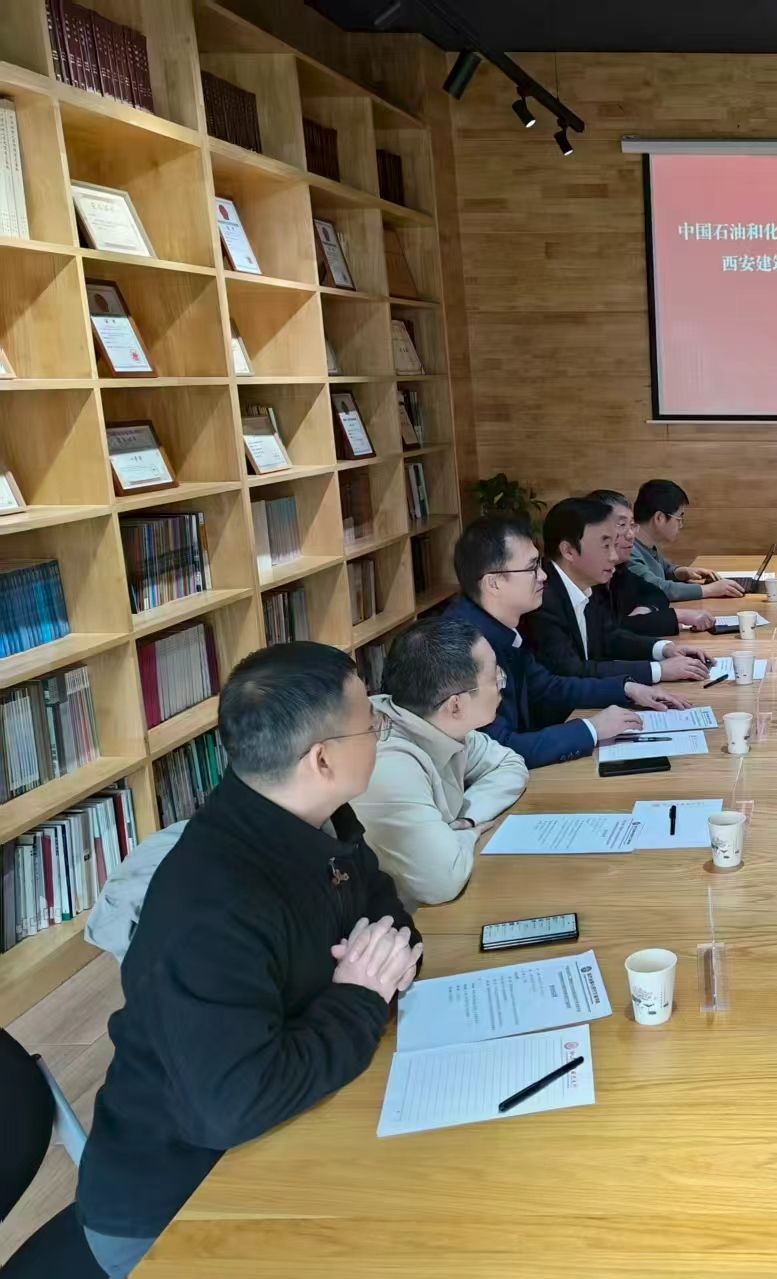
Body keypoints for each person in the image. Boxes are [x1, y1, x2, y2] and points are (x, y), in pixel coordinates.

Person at [76, 643, 425, 1277]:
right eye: (371, 723)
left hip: (281, 1119)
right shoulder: (212, 902)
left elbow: (390, 926)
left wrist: (371, 975)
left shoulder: (316, 822)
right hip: (174, 1201)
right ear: (322, 759)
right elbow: (233, 1106)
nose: (380, 733)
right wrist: (358, 996)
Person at [443, 515, 681, 768]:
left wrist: (625, 689)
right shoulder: (461, 647)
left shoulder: (497, 625)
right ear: (494, 583)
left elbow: (546, 687)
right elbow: (498, 749)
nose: (543, 576)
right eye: (531, 568)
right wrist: (592, 728)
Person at [354, 617, 529, 909]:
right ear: (455, 705)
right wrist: (464, 836)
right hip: (398, 921)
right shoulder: (387, 766)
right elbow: (441, 881)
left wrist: (467, 820)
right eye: (494, 678)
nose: (502, 684)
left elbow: (510, 765)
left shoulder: (438, 721)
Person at [527, 497, 712, 684]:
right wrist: (658, 670)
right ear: (568, 551)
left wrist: (664, 649)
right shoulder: (542, 599)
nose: (614, 556)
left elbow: (609, 637)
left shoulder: (586, 585)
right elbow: (572, 671)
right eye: (605, 546)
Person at [585, 488, 715, 634]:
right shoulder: (589, 579)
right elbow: (609, 632)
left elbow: (656, 594)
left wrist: (645, 611)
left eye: (632, 525)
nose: (630, 535)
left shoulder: (619, 570)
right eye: (622, 525)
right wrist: (677, 615)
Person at [629, 479, 745, 603]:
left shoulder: (646, 545)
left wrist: (682, 572)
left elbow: (664, 569)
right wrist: (710, 590)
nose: (681, 525)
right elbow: (657, 588)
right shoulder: (628, 551)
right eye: (679, 518)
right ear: (659, 518)